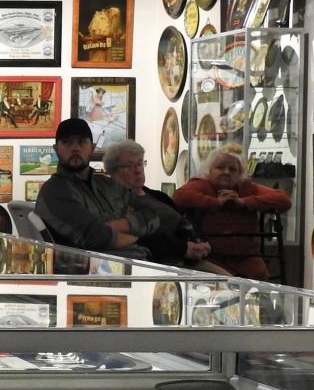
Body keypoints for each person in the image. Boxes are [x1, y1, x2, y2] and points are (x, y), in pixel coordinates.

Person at [35, 118, 160, 261]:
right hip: (99, 272)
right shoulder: (53, 191)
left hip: (137, 262)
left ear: (92, 148)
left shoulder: (107, 184)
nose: (75, 148)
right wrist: (136, 234)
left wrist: (114, 225)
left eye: (82, 142)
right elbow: (94, 235)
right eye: (67, 142)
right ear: (56, 149)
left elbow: (152, 215)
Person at [102, 140, 225, 273]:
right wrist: (184, 248)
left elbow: (183, 220)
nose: (138, 170)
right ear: (112, 171)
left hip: (190, 257)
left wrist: (201, 241)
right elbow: (143, 239)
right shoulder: (116, 203)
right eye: (129, 166)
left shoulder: (156, 195)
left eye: (140, 163)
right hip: (164, 265)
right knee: (227, 281)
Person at [172, 148, 292, 280]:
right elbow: (179, 197)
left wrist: (244, 202)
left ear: (240, 174)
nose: (226, 172)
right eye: (220, 167)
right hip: (211, 257)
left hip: (247, 258)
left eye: (233, 169)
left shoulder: (246, 187)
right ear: (209, 171)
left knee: (259, 282)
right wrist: (215, 202)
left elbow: (283, 200)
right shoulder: (202, 184)